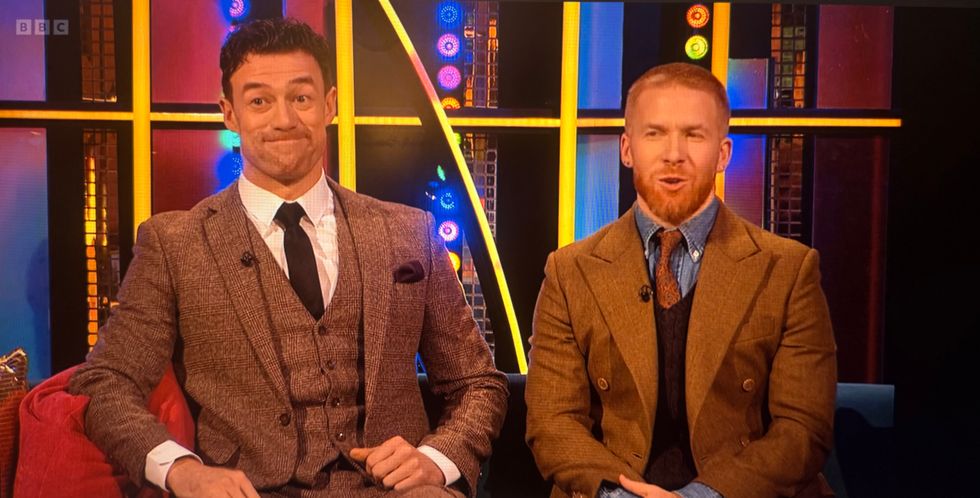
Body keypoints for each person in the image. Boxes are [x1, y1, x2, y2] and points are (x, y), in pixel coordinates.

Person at [69, 18, 507, 498]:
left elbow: (479, 383)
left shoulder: (409, 231)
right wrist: (180, 470)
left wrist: (436, 460)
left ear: (329, 105)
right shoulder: (175, 243)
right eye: (259, 101)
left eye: (301, 97)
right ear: (229, 114)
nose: (283, 120)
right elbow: (105, 382)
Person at [524, 63, 837, 498]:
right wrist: (621, 495)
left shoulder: (788, 270)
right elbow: (553, 422)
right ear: (627, 148)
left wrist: (701, 496)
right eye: (655, 134)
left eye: (693, 135)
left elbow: (803, 429)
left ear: (723, 154)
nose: (674, 154)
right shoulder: (570, 271)